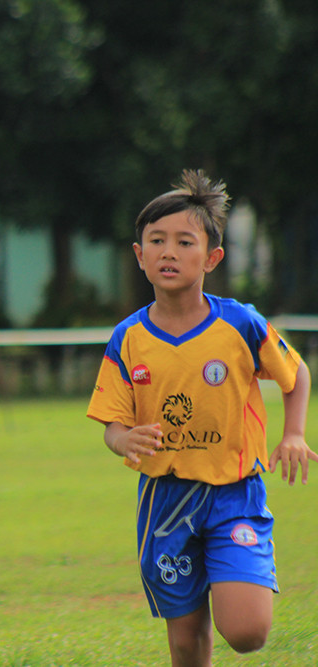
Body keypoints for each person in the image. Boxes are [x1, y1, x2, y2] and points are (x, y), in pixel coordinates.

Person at [86, 169, 315, 667]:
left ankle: (229, 571)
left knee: (248, 631)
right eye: (156, 241)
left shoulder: (240, 323)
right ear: (139, 255)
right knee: (187, 641)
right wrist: (123, 441)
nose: (169, 252)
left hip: (235, 494)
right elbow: (112, 424)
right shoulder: (127, 338)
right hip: (166, 501)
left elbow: (296, 375)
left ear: (211, 257)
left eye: (184, 241)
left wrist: (293, 433)